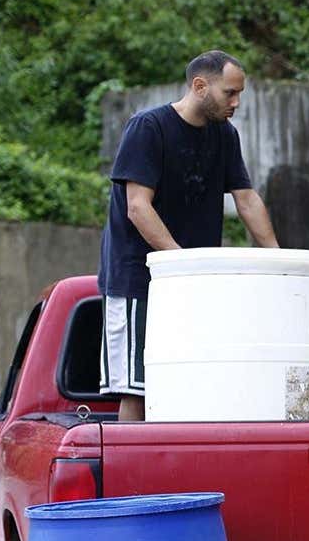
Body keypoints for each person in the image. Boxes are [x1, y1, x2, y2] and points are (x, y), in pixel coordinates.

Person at [97, 50, 280, 421]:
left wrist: (280, 259)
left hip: (195, 283)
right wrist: (182, 262)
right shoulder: (148, 128)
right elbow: (137, 206)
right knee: (139, 389)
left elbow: (246, 198)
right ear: (200, 86)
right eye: (229, 93)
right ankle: (133, 476)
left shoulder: (225, 136)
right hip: (139, 281)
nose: (237, 102)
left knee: (192, 383)